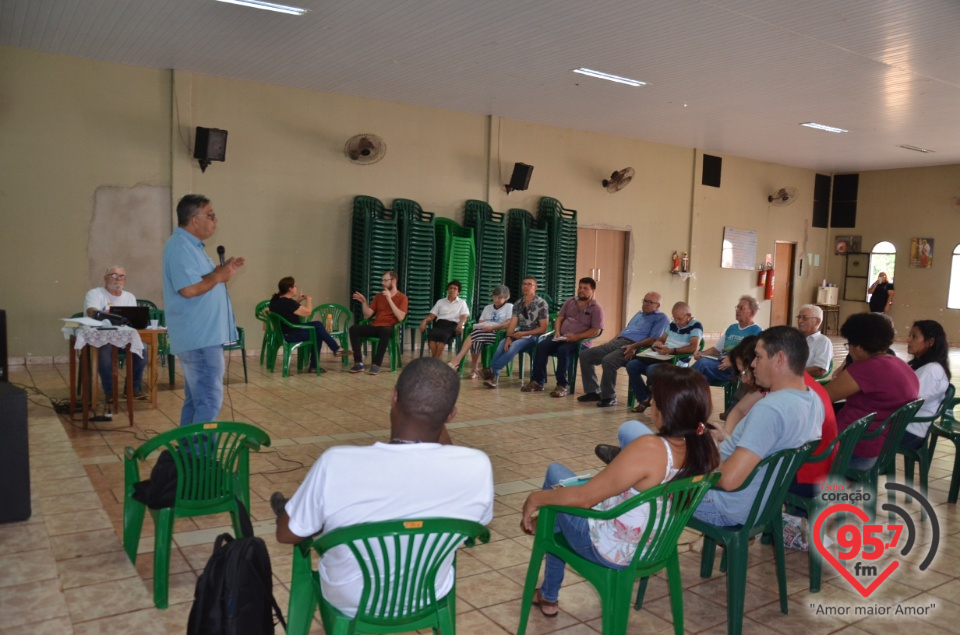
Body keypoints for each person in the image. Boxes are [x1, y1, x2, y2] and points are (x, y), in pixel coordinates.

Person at [274, 358, 494, 617]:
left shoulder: (337, 462)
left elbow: (286, 534)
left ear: (393, 397)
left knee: (309, 520)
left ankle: (303, 510)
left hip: (352, 599)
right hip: (427, 595)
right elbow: (475, 525)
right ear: (451, 414)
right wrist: (435, 412)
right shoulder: (477, 466)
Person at [519, 365, 720, 618]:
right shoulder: (705, 448)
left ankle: (549, 592)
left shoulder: (651, 448)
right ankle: (548, 581)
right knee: (566, 498)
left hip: (611, 548)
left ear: (665, 409)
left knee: (556, 476)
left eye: (654, 399)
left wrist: (535, 498)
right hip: (655, 546)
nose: (650, 403)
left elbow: (584, 499)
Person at [691, 326, 823, 527]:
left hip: (725, 505)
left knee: (649, 472)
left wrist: (711, 448)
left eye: (758, 357)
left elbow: (728, 481)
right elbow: (769, 448)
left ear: (779, 359)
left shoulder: (771, 409)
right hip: (764, 503)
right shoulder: (812, 398)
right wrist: (729, 440)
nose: (752, 364)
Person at [162, 194, 244, 426]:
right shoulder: (180, 247)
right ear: (194, 220)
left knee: (197, 401)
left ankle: (188, 455)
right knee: (208, 401)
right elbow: (188, 290)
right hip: (199, 339)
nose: (215, 220)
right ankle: (201, 458)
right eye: (210, 215)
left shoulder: (192, 247)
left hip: (202, 338)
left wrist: (221, 271)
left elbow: (202, 281)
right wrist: (219, 275)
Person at [825, 312, 918, 470]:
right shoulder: (901, 365)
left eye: (849, 345)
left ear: (860, 347)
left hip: (849, 452)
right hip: (879, 449)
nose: (850, 350)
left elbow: (821, 397)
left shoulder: (865, 369)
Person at [577, 291, 669, 408]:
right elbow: (625, 331)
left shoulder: (661, 318)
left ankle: (609, 396)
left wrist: (634, 346)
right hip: (618, 342)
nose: (646, 304)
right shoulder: (639, 314)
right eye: (645, 300)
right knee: (585, 355)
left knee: (608, 361)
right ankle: (593, 391)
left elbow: (654, 339)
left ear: (658, 305)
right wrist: (611, 341)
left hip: (633, 347)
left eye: (650, 302)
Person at [522, 277, 604, 398]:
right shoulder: (570, 301)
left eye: (585, 288)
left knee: (563, 350)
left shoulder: (596, 308)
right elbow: (559, 318)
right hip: (562, 337)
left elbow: (596, 330)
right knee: (541, 346)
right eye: (580, 287)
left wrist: (577, 336)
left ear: (593, 291)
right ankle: (537, 381)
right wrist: (557, 332)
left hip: (580, 342)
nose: (581, 290)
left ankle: (562, 385)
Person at [623, 301, 702, 414]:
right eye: (674, 318)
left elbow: (693, 347)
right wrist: (659, 344)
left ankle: (655, 399)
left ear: (688, 316)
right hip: (662, 357)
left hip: (677, 361)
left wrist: (672, 351)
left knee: (652, 369)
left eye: (679, 319)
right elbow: (661, 339)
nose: (677, 322)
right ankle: (645, 398)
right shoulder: (673, 324)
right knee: (632, 365)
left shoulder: (696, 325)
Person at [82, 265, 147, 399]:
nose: (118, 279)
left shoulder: (130, 297)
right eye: (114, 275)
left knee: (143, 349)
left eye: (121, 276)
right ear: (105, 278)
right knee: (103, 350)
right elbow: (91, 312)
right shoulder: (95, 294)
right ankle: (110, 391)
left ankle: (132, 388)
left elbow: (133, 321)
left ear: (125, 280)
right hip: (101, 340)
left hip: (124, 340)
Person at [482, 277, 549, 388]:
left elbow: (543, 329)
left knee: (514, 345)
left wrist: (522, 334)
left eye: (529, 284)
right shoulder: (518, 303)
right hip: (520, 334)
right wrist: (508, 337)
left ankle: (492, 370)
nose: (526, 287)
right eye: (524, 284)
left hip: (535, 336)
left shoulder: (541, 304)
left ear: (535, 288)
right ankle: (494, 378)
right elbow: (512, 323)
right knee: (502, 343)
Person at [268, 276, 344, 372]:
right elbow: (308, 312)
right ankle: (319, 362)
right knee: (318, 333)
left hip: (283, 333)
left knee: (317, 325)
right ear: (289, 289)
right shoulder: (289, 303)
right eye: (295, 286)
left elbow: (286, 309)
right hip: (291, 334)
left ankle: (334, 350)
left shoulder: (275, 300)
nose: (297, 288)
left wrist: (297, 301)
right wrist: (309, 299)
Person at [347, 270, 408, 376]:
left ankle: (376, 364)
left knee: (385, 330)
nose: (382, 283)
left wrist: (389, 299)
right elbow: (368, 315)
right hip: (376, 326)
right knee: (354, 329)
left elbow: (401, 317)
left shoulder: (402, 298)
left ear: (393, 281)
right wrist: (364, 302)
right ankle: (359, 363)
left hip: (390, 328)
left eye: (385, 280)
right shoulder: (379, 296)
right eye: (382, 280)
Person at [691, 295, 761, 385]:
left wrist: (734, 360)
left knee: (703, 364)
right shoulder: (732, 328)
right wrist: (702, 353)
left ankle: (679, 385)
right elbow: (716, 349)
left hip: (736, 367)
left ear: (752, 313)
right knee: (702, 378)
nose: (737, 310)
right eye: (737, 307)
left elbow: (754, 356)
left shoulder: (757, 331)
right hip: (721, 362)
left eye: (741, 308)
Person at [902, 320, 951, 449]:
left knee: (856, 435)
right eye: (909, 335)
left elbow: (909, 402)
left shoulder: (932, 370)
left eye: (914, 336)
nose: (908, 340)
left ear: (930, 342)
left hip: (910, 431)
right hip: (904, 426)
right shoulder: (920, 366)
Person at [448, 286, 512, 379]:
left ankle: (457, 361)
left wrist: (493, 327)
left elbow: (508, 323)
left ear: (506, 298)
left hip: (497, 333)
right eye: (495, 297)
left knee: (473, 335)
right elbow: (481, 322)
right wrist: (482, 327)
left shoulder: (509, 307)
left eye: (500, 298)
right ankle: (474, 369)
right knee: (476, 339)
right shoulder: (488, 307)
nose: (496, 300)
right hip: (483, 332)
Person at [419, 280, 470, 359]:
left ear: (458, 292)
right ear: (448, 290)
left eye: (455, 288)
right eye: (450, 288)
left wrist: (461, 324)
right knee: (431, 336)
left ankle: (435, 359)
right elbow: (432, 315)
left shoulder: (462, 303)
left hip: (453, 325)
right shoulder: (440, 302)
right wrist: (424, 321)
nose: (452, 290)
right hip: (440, 324)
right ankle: (436, 359)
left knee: (444, 337)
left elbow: (464, 316)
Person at [796, 304, 834, 378]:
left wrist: (793, 372)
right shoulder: (793, 338)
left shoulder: (823, 342)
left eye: (805, 318)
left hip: (803, 382)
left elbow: (820, 370)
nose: (800, 321)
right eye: (799, 317)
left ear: (817, 321)